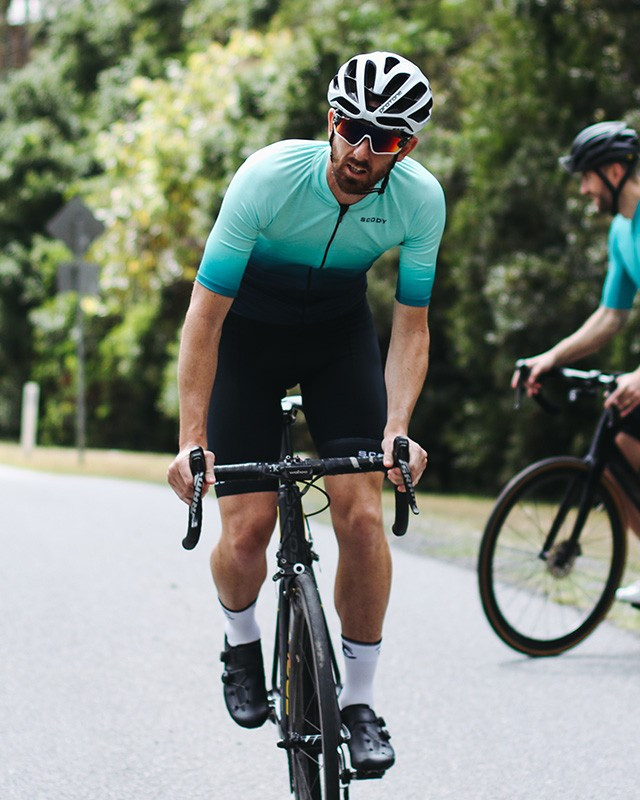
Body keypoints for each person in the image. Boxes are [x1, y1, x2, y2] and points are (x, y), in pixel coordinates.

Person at [167, 51, 446, 772]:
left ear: (407, 146)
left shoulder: (420, 200)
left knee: (362, 518)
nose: (362, 151)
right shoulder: (267, 179)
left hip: (336, 341)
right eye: (353, 129)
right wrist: (191, 439)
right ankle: (240, 644)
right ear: (331, 121)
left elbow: (411, 326)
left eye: (385, 139)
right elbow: (205, 316)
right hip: (247, 341)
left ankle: (360, 703)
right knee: (248, 529)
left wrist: (397, 429)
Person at [515, 120, 640, 605]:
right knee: (618, 443)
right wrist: (551, 358)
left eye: (586, 176)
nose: (585, 189)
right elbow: (611, 316)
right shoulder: (622, 231)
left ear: (614, 171)